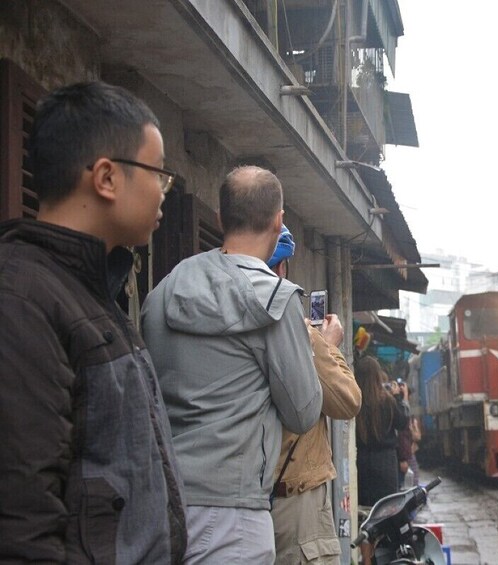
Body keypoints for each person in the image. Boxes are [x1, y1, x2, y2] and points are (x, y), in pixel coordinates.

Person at [0, 81, 187, 562]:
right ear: (106, 178)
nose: (164, 194)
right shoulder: (22, 298)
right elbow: (22, 514)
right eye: (159, 175)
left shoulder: (96, 289)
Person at [141, 166, 323, 564]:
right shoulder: (275, 301)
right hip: (234, 511)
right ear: (279, 221)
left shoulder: (163, 291)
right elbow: (304, 411)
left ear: (221, 219)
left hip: (160, 501)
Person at [266, 225, 362, 565]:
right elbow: (347, 401)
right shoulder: (298, 332)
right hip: (294, 502)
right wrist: (325, 344)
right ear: (281, 268)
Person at [355, 356, 410, 507]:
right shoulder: (388, 401)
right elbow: (403, 422)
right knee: (386, 508)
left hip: (361, 462)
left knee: (364, 507)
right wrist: (399, 398)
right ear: (378, 376)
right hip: (386, 462)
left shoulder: (354, 402)